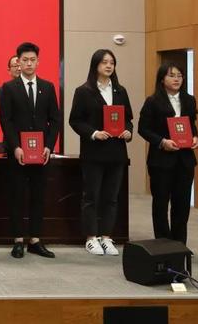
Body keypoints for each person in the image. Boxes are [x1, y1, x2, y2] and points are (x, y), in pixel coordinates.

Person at [68, 49, 133, 256]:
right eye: (104, 62)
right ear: (95, 65)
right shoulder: (84, 91)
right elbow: (75, 121)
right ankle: (91, 238)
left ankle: (106, 237)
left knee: (111, 197)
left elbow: (128, 119)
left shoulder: (120, 91)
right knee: (92, 196)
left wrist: (128, 132)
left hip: (116, 153)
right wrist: (94, 133)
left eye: (112, 62)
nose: (108, 66)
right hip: (94, 152)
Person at [0, 41, 60, 259]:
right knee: (17, 195)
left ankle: (35, 239)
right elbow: (6, 120)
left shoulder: (48, 87)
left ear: (38, 62)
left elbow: (55, 119)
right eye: (24, 60)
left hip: (41, 153)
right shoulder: (9, 88)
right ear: (18, 62)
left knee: (38, 196)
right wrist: (15, 146)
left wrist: (49, 146)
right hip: (17, 153)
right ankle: (18, 240)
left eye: (32, 60)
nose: (29, 64)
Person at [138, 62, 198, 244]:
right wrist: (162, 142)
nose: (176, 79)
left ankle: (179, 245)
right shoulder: (152, 101)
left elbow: (192, 125)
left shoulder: (189, 100)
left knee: (182, 205)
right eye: (172, 75)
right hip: (161, 161)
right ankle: (163, 245)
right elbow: (143, 129)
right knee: (161, 204)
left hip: (185, 160)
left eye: (179, 76)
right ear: (162, 79)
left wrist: (195, 137)